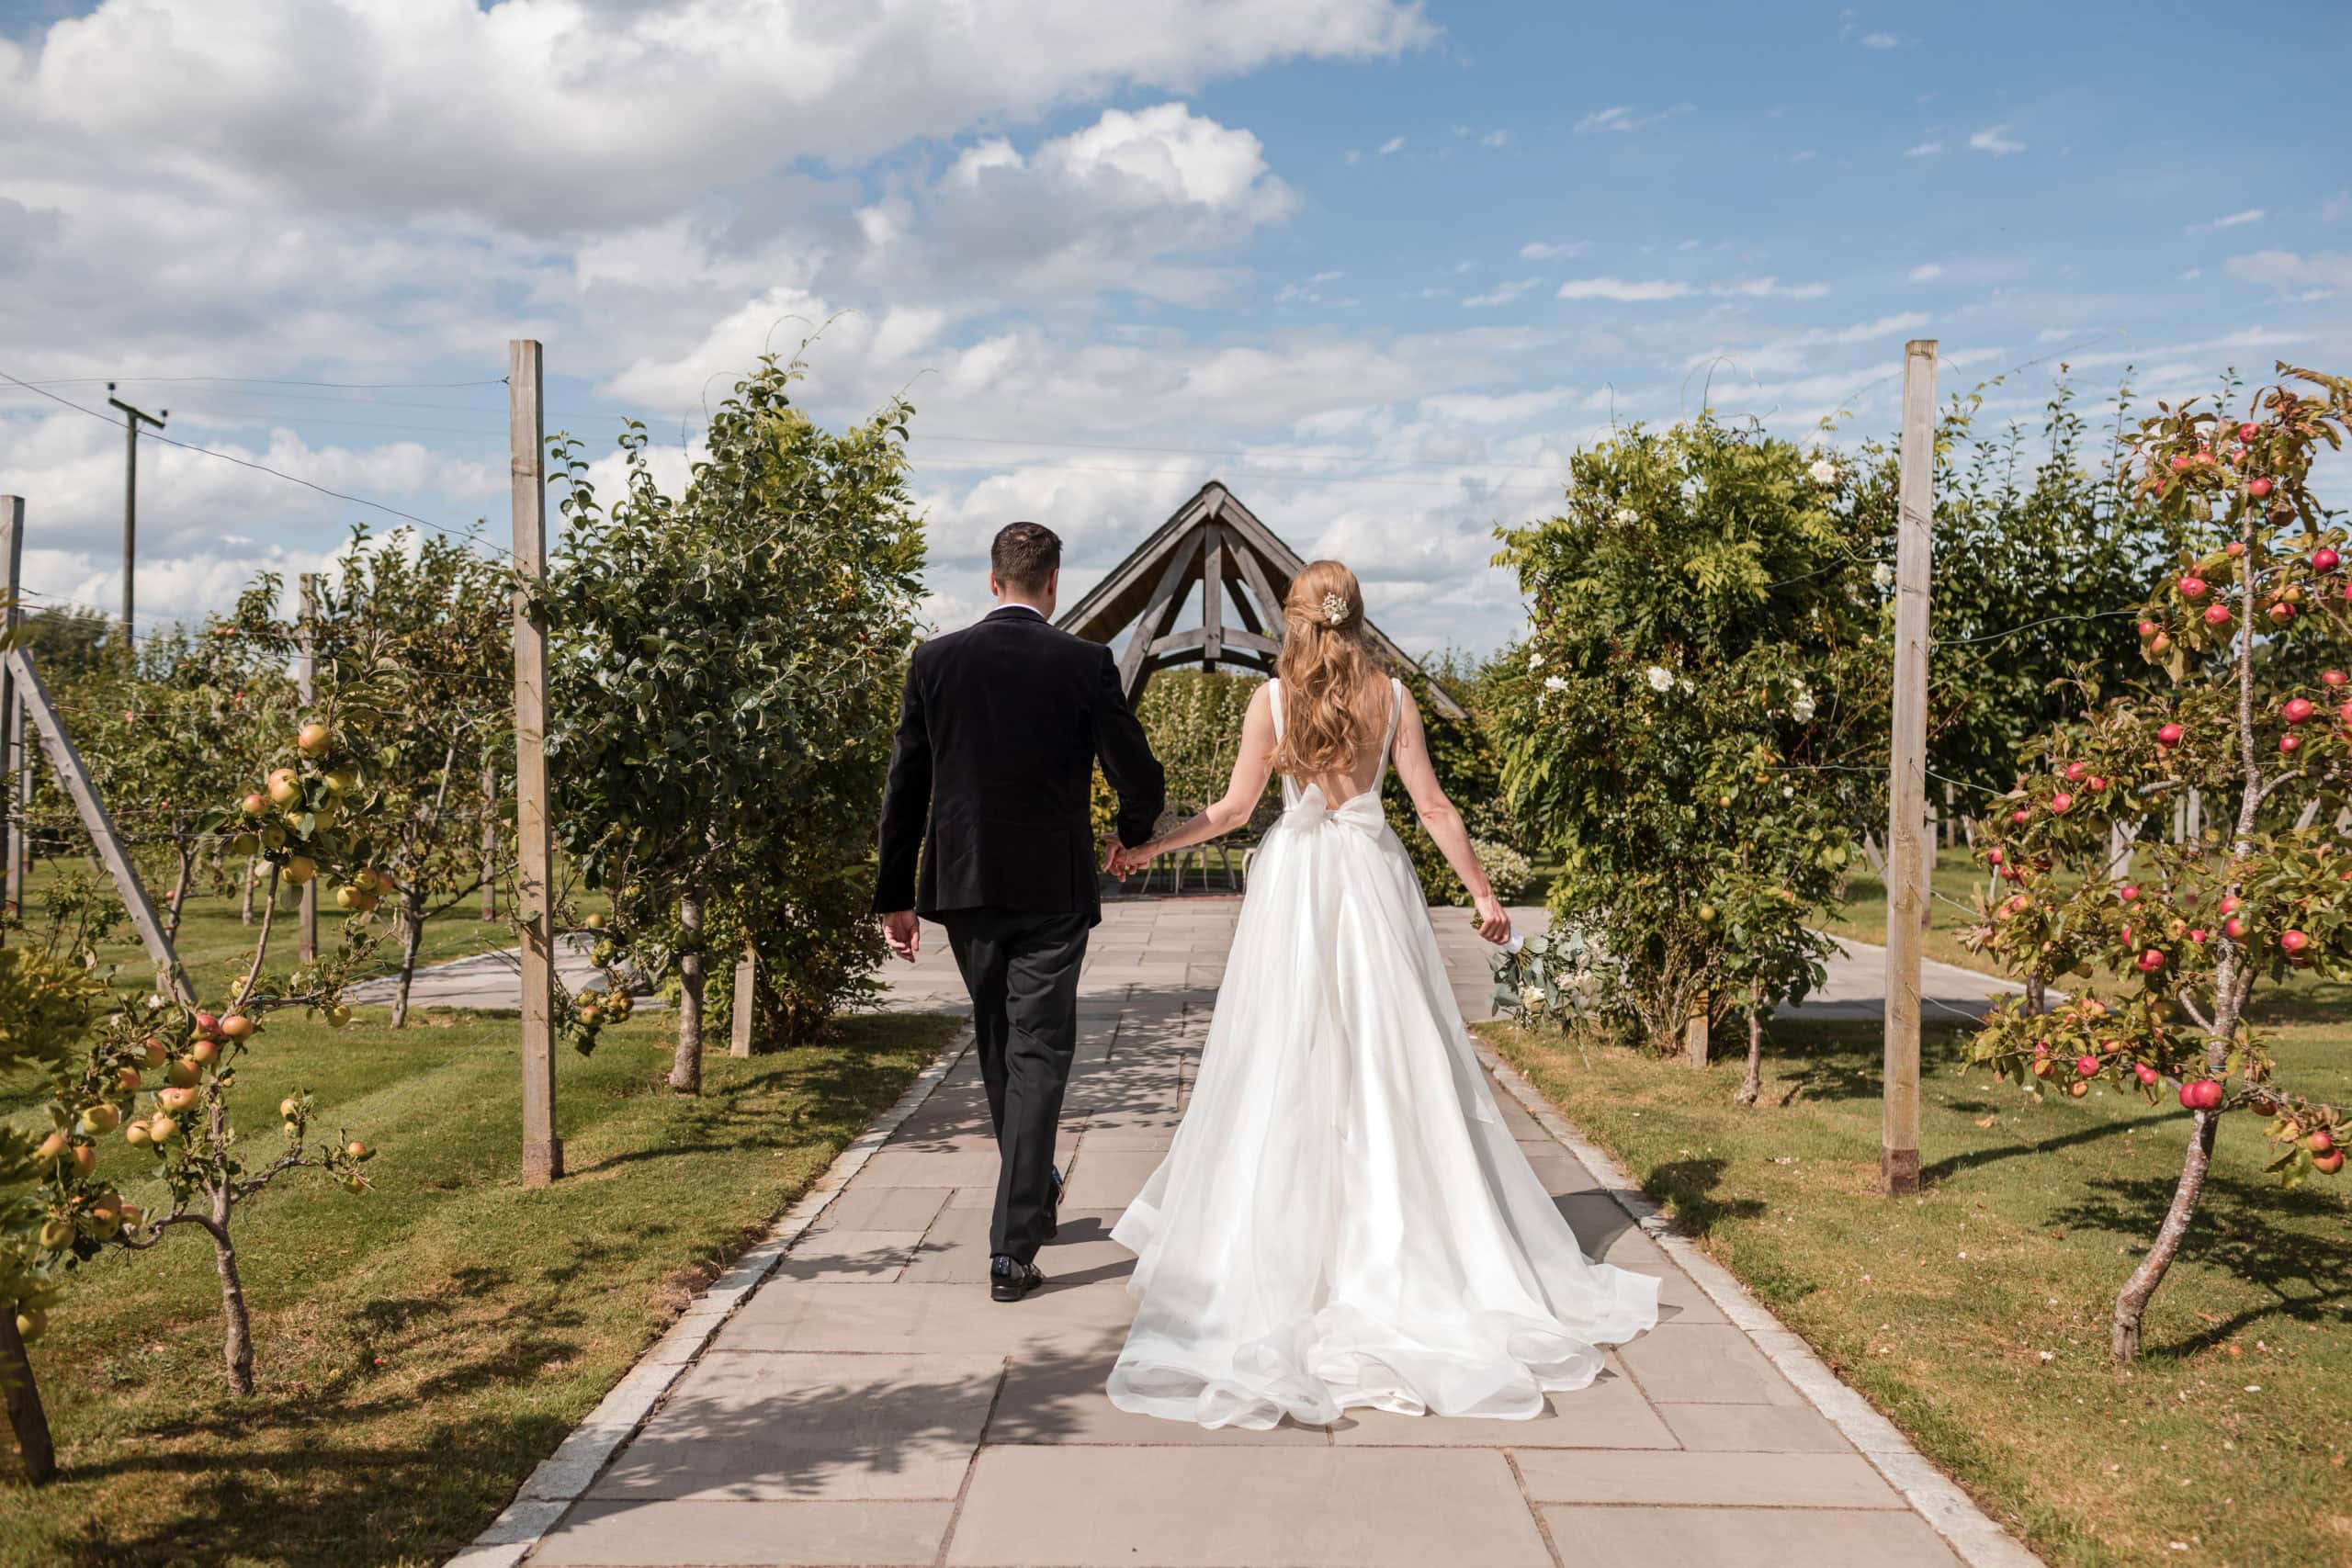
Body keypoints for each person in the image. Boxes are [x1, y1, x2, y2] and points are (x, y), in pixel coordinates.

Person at [1102, 559, 1658, 1427]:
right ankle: (1409, 1237)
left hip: (1295, 886)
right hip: (1371, 880)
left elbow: (1233, 811)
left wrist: (1147, 849)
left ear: (1294, 619)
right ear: (1357, 616)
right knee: (1393, 1057)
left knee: (1284, 1053)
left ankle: (1285, 1243)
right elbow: (1433, 809)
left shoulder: (1273, 702)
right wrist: (1480, 893)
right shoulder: (1390, 697)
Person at [872, 521, 1165, 1303]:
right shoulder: (1085, 663)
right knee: (1033, 1050)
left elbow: (906, 785)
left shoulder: (935, 661)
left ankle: (1025, 1203)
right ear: (1054, 582)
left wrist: (894, 895)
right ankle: (1014, 1242)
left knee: (1004, 1042)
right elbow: (1138, 773)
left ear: (994, 580)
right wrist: (1130, 834)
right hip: (1054, 887)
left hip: (964, 886)